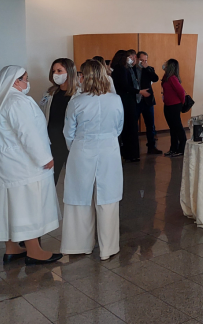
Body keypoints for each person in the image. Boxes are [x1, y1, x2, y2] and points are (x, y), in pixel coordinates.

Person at [0, 66, 62, 265]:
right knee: (27, 205)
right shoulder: (17, 101)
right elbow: (28, 133)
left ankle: (12, 248)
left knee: (10, 205)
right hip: (22, 165)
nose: (27, 82)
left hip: (4, 165)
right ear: (16, 81)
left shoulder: (0, 100)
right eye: (25, 78)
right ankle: (34, 251)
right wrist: (44, 158)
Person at [61, 59, 124, 261]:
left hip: (82, 149)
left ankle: (79, 244)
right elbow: (119, 127)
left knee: (80, 196)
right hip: (109, 150)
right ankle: (108, 247)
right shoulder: (115, 99)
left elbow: (68, 132)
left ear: (84, 77)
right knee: (108, 197)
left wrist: (76, 147)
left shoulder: (76, 102)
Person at [39, 58, 79, 184]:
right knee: (50, 178)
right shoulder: (49, 93)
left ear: (69, 72)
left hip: (71, 141)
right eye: (54, 71)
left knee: (75, 178)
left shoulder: (79, 94)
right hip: (53, 141)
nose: (56, 74)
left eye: (59, 71)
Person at [110, 50, 141, 162]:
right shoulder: (121, 69)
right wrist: (139, 91)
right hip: (127, 100)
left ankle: (128, 153)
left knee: (127, 127)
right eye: (128, 57)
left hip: (123, 99)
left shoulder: (118, 69)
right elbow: (125, 86)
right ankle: (131, 154)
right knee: (130, 127)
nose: (130, 59)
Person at [135, 51, 161, 154]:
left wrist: (147, 68)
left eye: (145, 60)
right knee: (134, 125)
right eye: (141, 60)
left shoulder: (149, 69)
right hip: (136, 100)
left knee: (150, 125)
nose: (143, 62)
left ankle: (151, 146)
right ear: (137, 59)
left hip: (148, 101)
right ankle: (134, 148)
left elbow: (155, 78)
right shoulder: (133, 69)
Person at [161, 59, 187, 157]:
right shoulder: (166, 77)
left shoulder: (172, 78)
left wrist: (182, 103)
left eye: (166, 64)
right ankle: (173, 148)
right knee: (172, 128)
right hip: (168, 105)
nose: (164, 65)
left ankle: (182, 148)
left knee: (177, 127)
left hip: (174, 105)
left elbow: (181, 92)